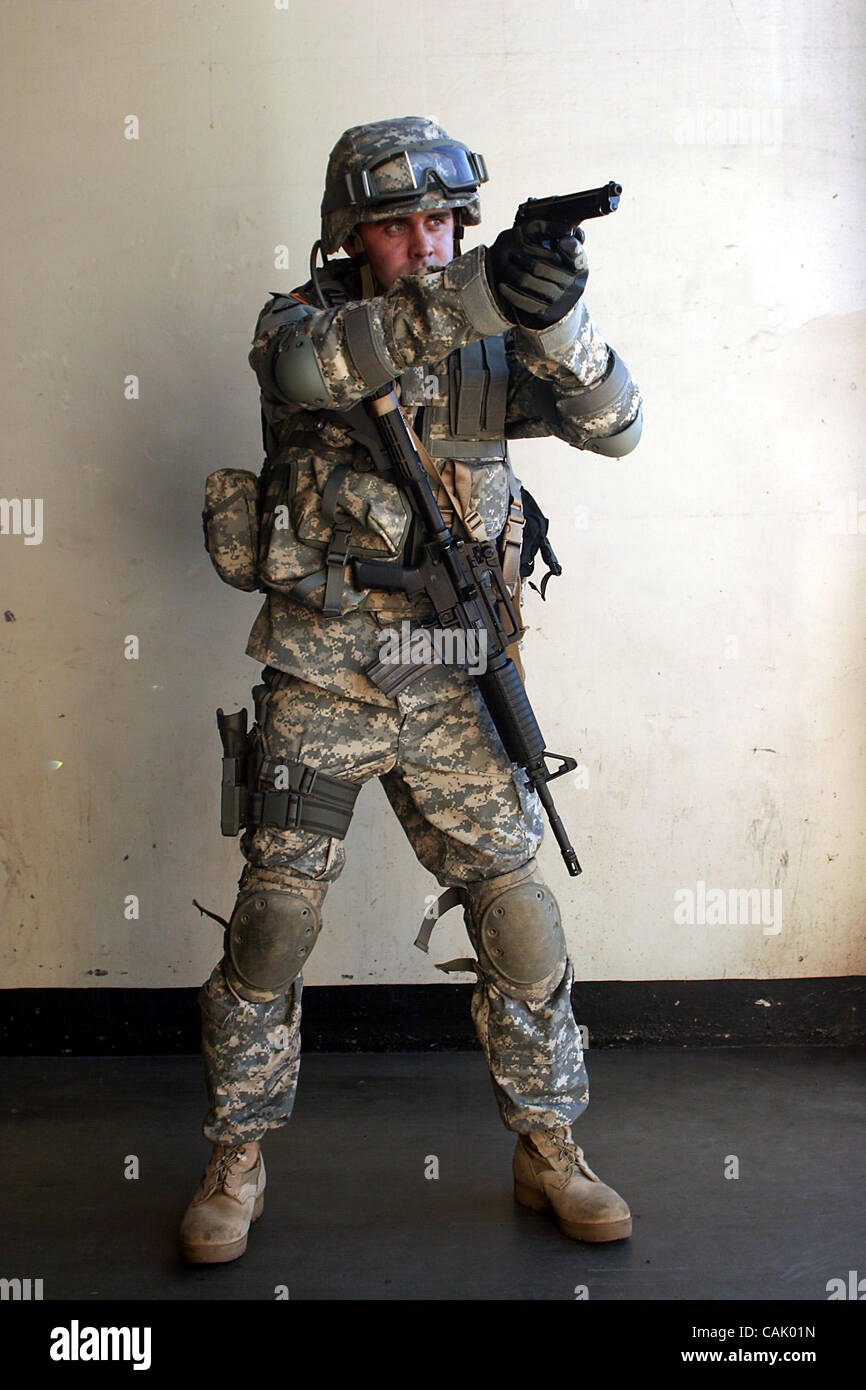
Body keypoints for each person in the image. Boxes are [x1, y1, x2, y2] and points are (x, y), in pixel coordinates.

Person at [182, 117, 643, 1264]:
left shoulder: (495, 339)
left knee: (517, 910)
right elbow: (328, 366)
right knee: (276, 918)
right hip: (323, 668)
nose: (428, 245)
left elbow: (618, 427)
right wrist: (487, 292)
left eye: (443, 222)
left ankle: (549, 1146)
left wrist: (556, 312)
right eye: (399, 225)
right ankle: (235, 1153)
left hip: (456, 673)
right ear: (351, 235)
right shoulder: (299, 327)